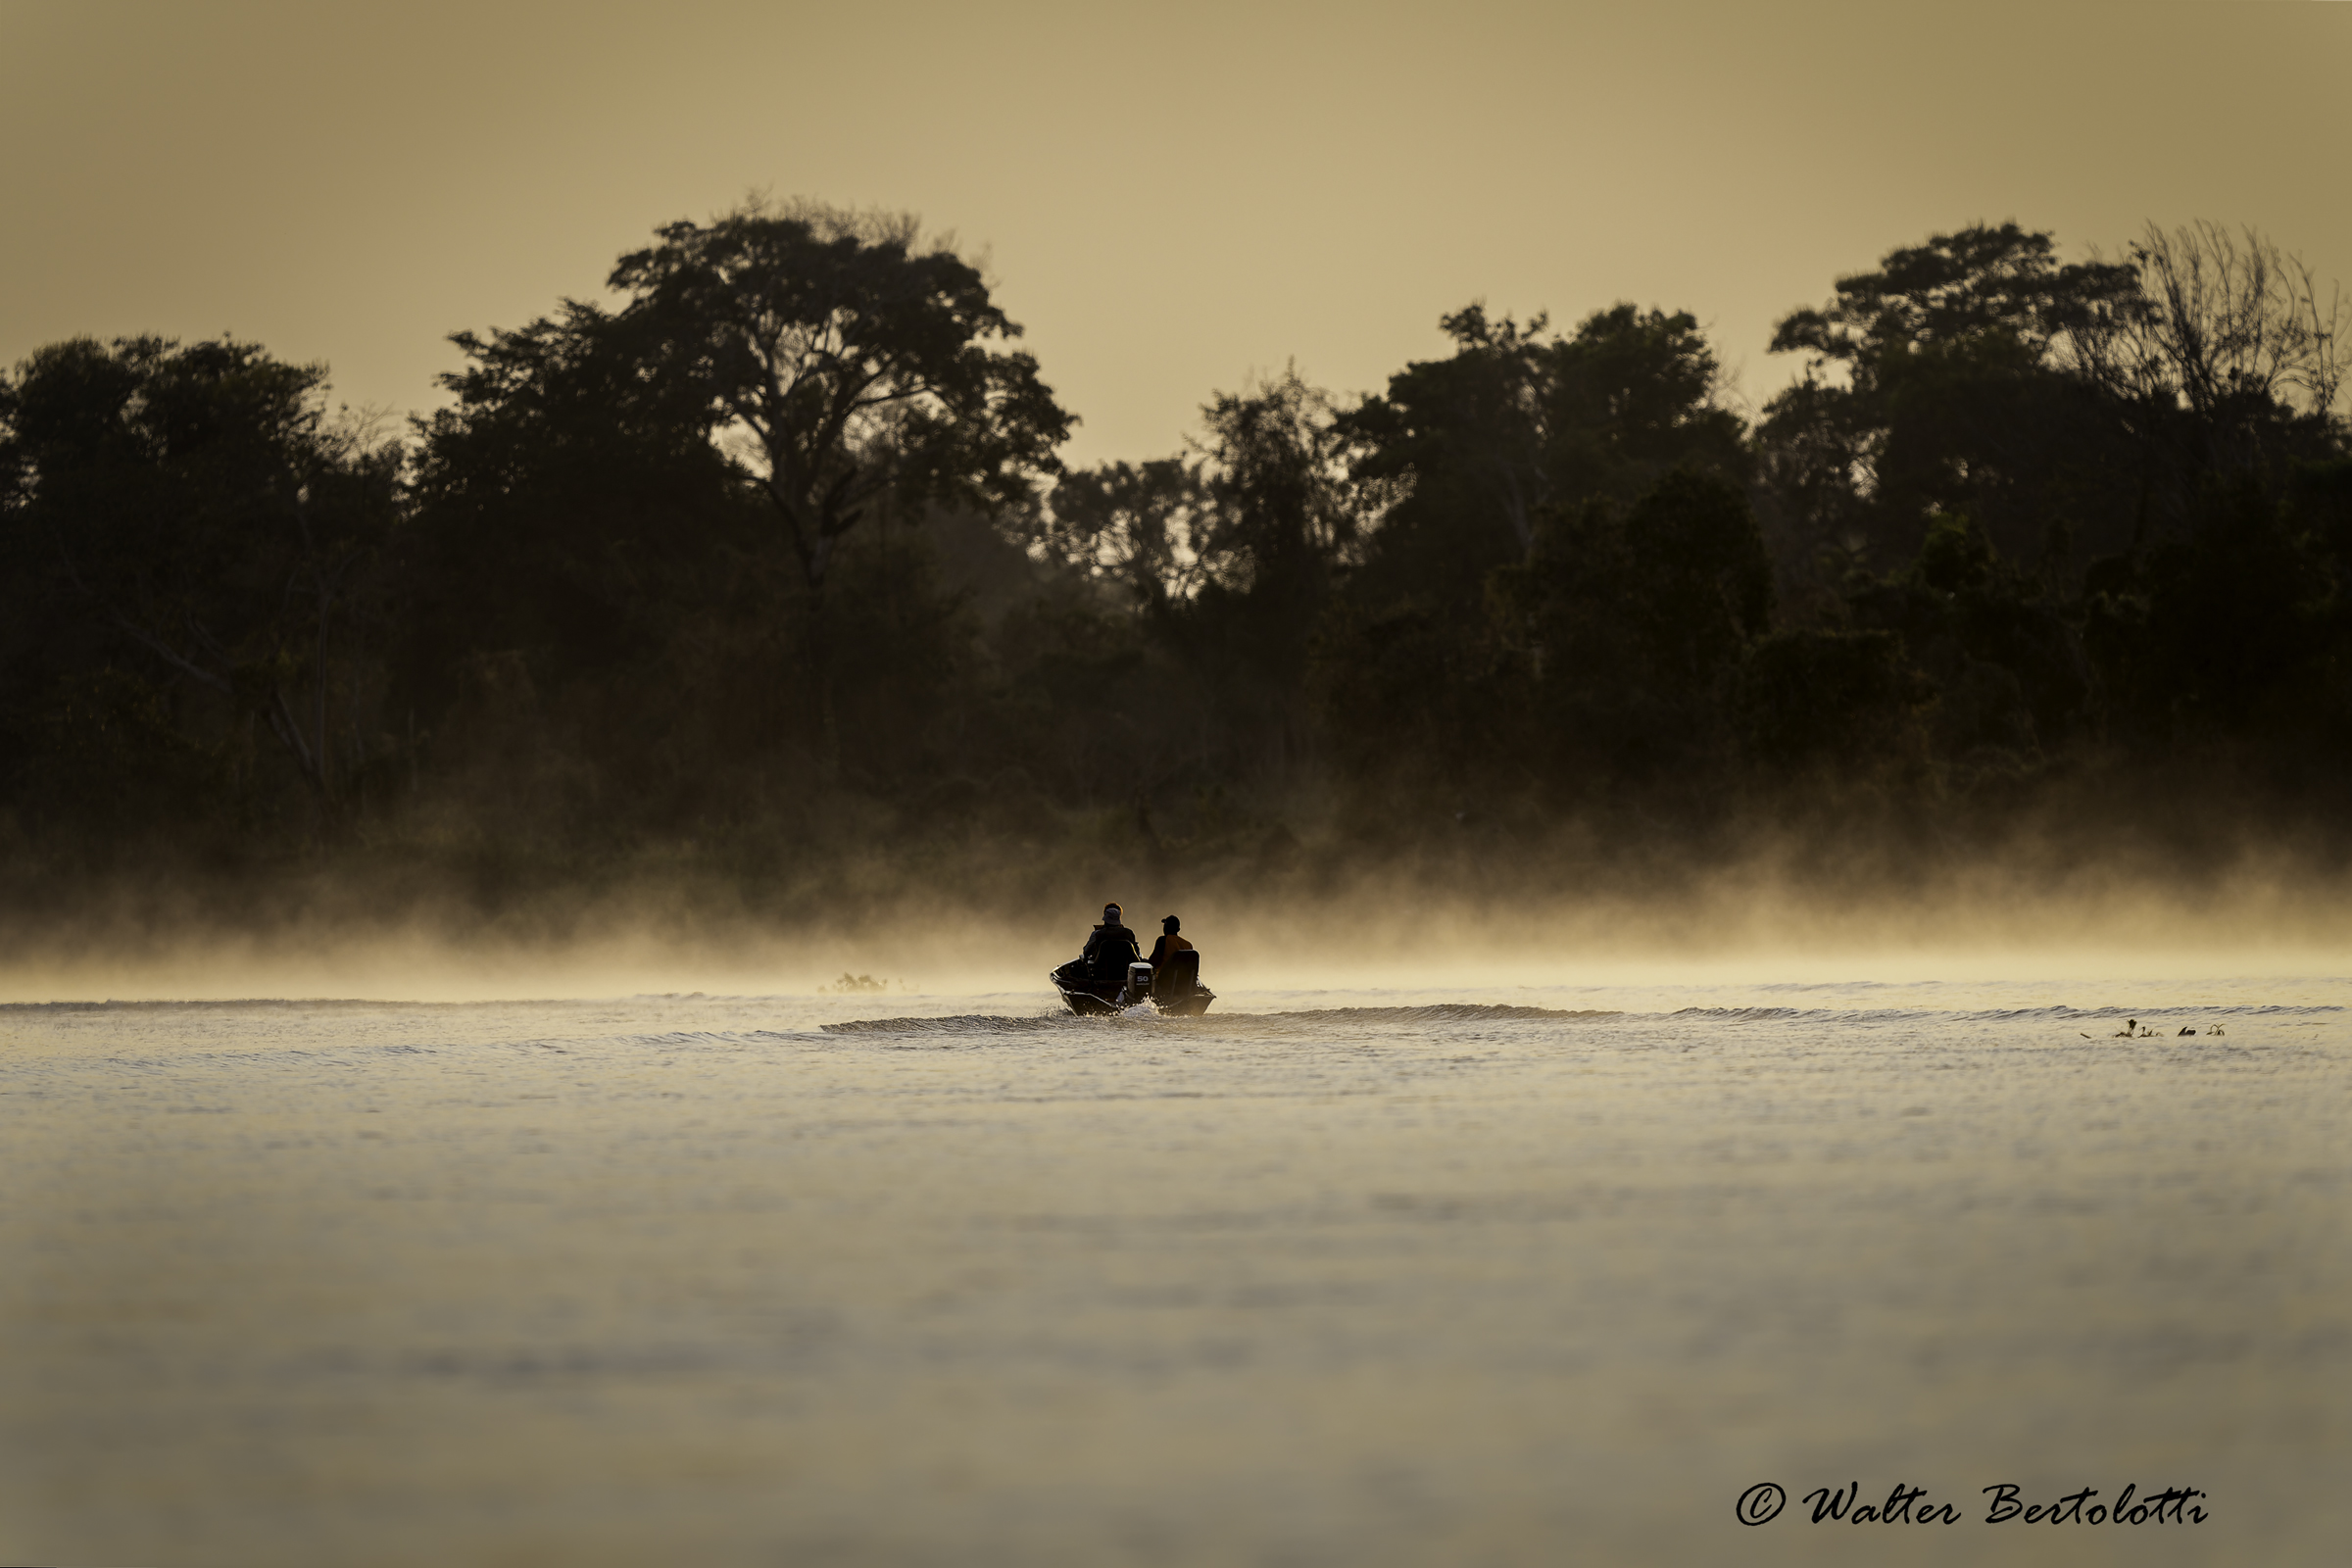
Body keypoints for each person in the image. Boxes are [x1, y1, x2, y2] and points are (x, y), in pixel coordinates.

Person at [1080, 902, 1140, 981]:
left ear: (1105, 919)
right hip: (1125, 974)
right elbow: (1137, 953)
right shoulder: (1129, 933)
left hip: (1101, 974)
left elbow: (1086, 952)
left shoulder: (1097, 934)